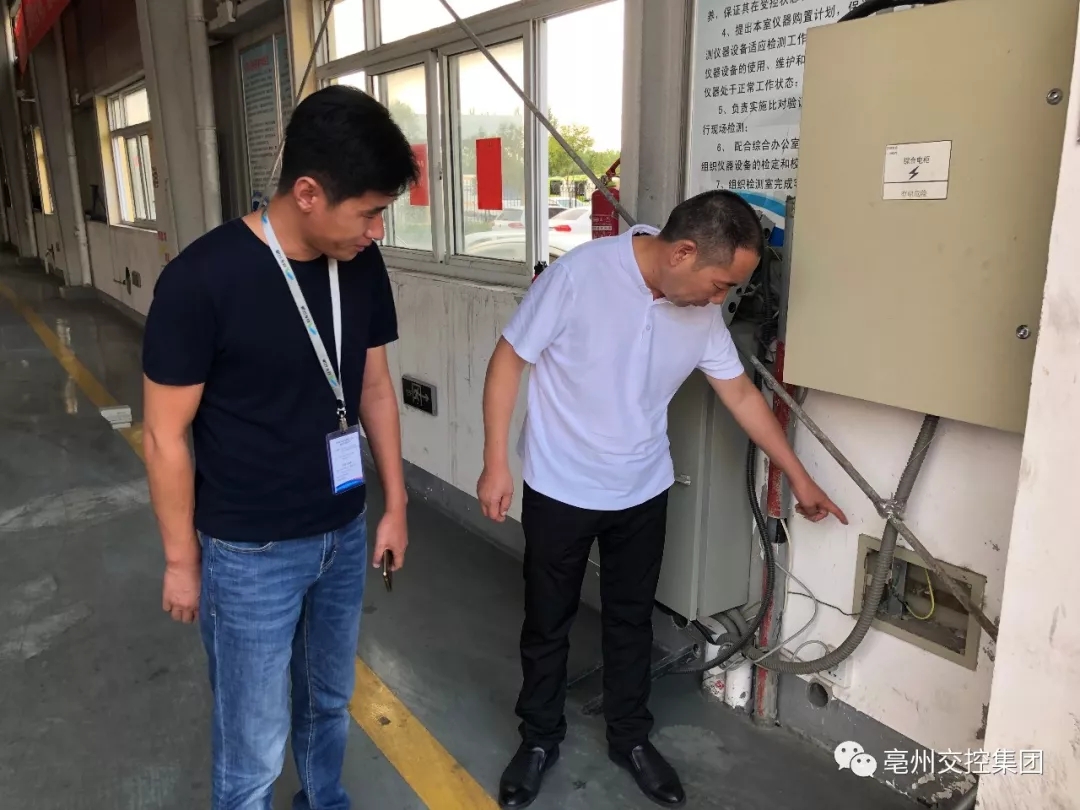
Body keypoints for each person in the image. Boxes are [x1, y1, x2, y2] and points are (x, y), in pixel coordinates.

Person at [477, 190, 848, 809]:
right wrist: (495, 463)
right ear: (682, 253)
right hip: (560, 486)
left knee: (629, 622)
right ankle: (539, 738)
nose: (721, 299)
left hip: (642, 489)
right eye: (720, 284)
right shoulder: (579, 277)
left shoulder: (699, 312)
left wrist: (799, 476)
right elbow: (509, 359)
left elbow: (741, 395)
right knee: (548, 620)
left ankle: (630, 738)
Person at [141, 85, 415, 810]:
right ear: (308, 193)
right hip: (249, 552)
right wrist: (181, 562)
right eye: (368, 213)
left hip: (342, 533)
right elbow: (163, 434)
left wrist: (395, 504)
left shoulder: (359, 263)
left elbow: (374, 388)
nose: (375, 231)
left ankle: (324, 801)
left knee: (328, 701)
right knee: (252, 743)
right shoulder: (201, 281)